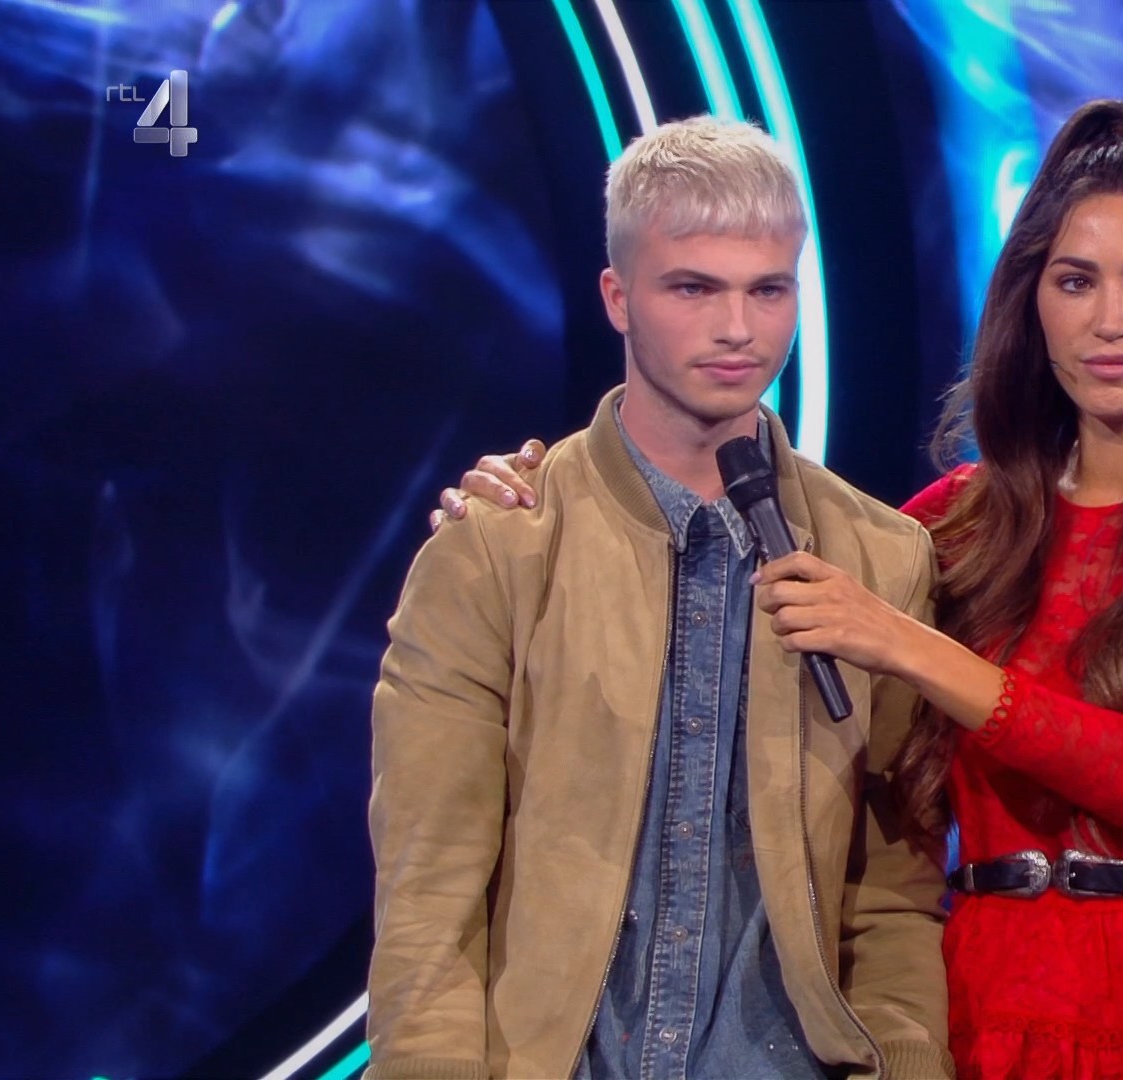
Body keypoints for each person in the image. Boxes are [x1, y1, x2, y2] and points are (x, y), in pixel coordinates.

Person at [440, 98, 1123, 1079]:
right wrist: (543, 501)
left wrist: (905, 642)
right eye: (1076, 281)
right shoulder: (956, 522)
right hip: (979, 1008)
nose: (1110, 320)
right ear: (1032, 300)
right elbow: (727, 562)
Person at [370, 116, 952, 1079]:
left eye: (768, 289)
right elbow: (429, 898)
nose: (738, 329)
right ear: (618, 297)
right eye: (694, 288)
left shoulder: (881, 559)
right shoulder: (499, 546)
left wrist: (906, 1062)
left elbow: (893, 886)